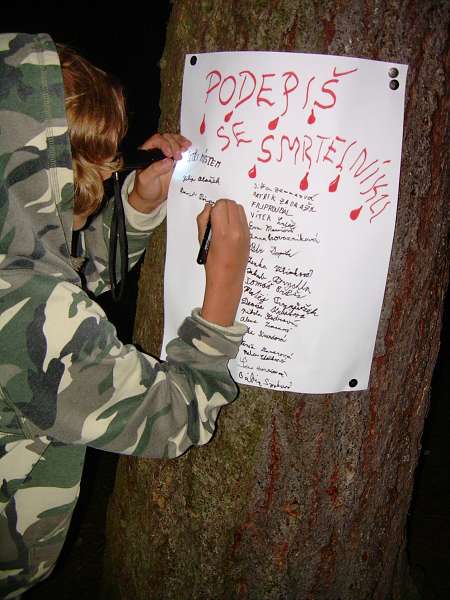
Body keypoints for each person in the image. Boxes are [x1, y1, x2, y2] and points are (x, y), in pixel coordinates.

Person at [0, 33, 249, 598]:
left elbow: (60, 274)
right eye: (93, 162)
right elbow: (174, 415)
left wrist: (136, 205)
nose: (111, 172)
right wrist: (224, 286)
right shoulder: (29, 305)